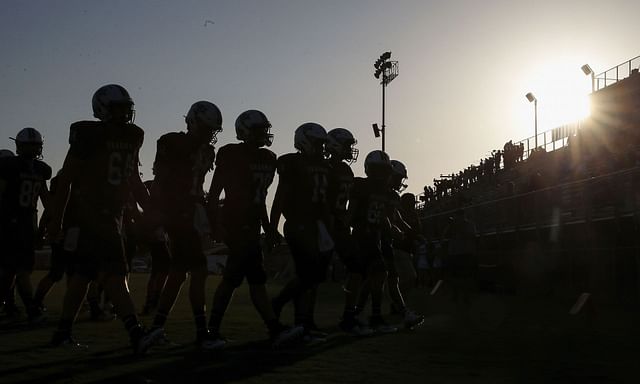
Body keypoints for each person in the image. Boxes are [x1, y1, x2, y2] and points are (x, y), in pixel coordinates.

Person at [48, 84, 160, 352]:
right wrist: (56, 220)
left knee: (84, 275)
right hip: (94, 214)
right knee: (115, 273)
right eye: (118, 108)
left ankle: (62, 332)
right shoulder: (89, 135)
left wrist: (149, 207)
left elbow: (132, 176)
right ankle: (136, 333)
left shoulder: (134, 135)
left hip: (114, 213)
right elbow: (66, 179)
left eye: (126, 108)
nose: (124, 113)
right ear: (102, 109)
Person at [205, 109, 303, 348]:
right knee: (232, 280)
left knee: (255, 281)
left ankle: (272, 328)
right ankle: (212, 332)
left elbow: (260, 199)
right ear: (244, 132)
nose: (263, 135)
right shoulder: (230, 153)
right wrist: (216, 223)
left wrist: (269, 228)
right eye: (258, 130)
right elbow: (215, 192)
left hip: (252, 225)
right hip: (235, 223)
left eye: (264, 130)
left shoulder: (269, 158)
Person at [148, 100, 222, 349]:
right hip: (177, 214)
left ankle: (156, 328)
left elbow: (197, 187)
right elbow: (160, 181)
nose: (209, 134)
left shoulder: (207, 151)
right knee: (198, 271)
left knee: (179, 274)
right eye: (205, 128)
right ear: (192, 122)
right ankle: (201, 333)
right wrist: (158, 214)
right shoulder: (172, 142)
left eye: (212, 130)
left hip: (192, 213)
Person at [270, 122, 333, 341]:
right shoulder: (292, 162)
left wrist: (328, 225)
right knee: (309, 275)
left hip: (317, 225)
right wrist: (271, 227)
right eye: (318, 143)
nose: (322, 148)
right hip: (298, 223)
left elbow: (323, 201)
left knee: (313, 278)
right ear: (304, 141)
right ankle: (281, 306)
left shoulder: (323, 166)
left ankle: (305, 321)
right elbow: (280, 197)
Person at [323, 128, 371, 336]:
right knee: (312, 275)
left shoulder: (346, 170)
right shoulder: (325, 167)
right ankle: (297, 316)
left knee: (358, 268)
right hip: (325, 224)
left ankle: (349, 316)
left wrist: (347, 220)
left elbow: (349, 201)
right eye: (347, 145)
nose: (351, 149)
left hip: (340, 225)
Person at [0, 128, 51, 324]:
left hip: (14, 223)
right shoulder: (39, 169)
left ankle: (28, 309)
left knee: (12, 271)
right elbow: (47, 201)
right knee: (17, 271)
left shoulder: (10, 165)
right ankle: (31, 310)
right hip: (23, 223)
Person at [349, 150, 398, 333]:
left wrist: (392, 229)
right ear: (370, 169)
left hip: (374, 236)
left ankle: (359, 314)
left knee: (371, 276)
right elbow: (352, 210)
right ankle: (370, 316)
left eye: (385, 170)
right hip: (362, 234)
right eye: (379, 170)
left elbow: (384, 216)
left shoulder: (386, 192)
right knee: (376, 273)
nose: (383, 174)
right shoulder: (361, 185)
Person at [138, 180, 170, 316]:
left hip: (156, 236)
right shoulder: (154, 204)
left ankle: (152, 301)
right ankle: (153, 301)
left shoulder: (154, 203)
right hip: (156, 237)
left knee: (159, 270)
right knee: (161, 269)